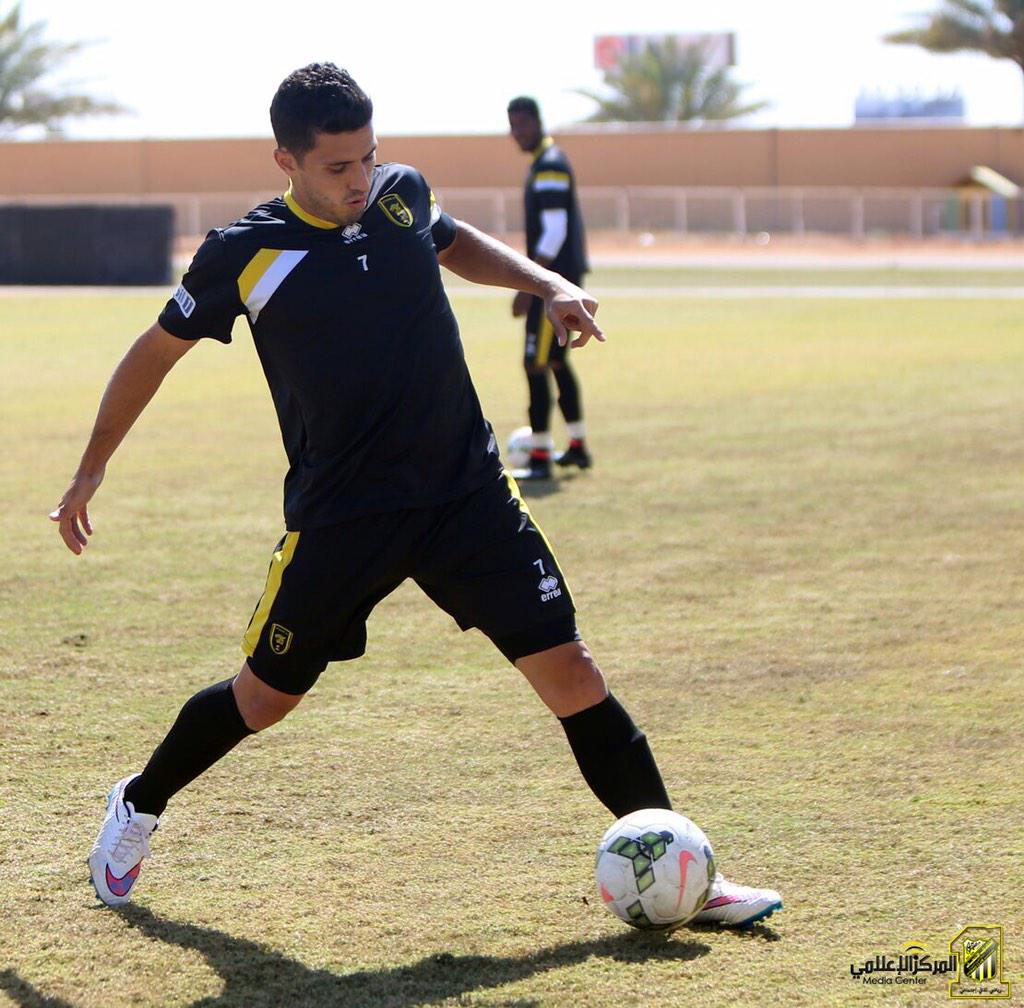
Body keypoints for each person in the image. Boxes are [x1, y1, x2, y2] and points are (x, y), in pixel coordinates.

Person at [52, 63, 780, 928]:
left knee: (572, 673)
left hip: (465, 497)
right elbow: (155, 351)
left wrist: (545, 283)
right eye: (336, 167)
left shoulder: (400, 195)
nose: (359, 179)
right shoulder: (245, 254)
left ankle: (688, 874)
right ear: (286, 160)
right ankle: (138, 801)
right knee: (263, 699)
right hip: (344, 517)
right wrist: (93, 465)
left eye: (368, 157)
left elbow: (451, 239)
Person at [507, 96, 591, 481]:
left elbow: (554, 232)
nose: (517, 133)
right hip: (560, 280)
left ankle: (540, 455)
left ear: (538, 122)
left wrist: (530, 283)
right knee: (556, 360)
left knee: (535, 363)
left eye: (522, 124)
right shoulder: (547, 161)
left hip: (551, 285)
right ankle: (577, 446)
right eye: (512, 126)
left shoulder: (549, 165)